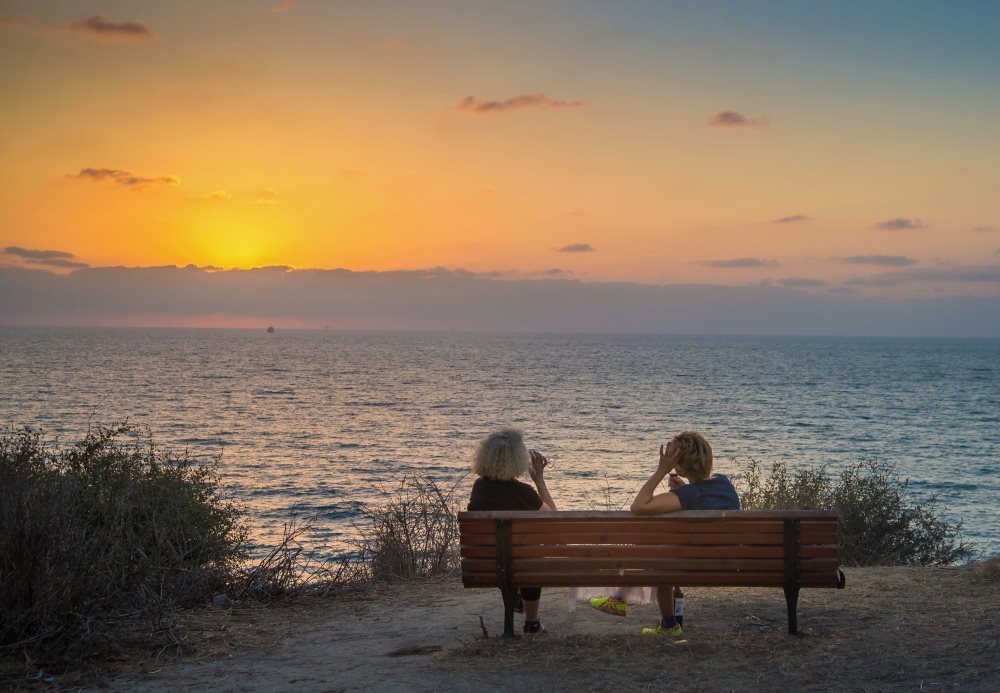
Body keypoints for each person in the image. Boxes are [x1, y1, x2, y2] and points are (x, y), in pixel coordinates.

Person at [588, 431, 739, 636]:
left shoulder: (690, 494)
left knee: (653, 545)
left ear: (680, 465)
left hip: (694, 564)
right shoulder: (724, 483)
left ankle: (620, 599)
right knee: (660, 548)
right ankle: (666, 625)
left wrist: (661, 471)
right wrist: (684, 490)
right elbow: (705, 497)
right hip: (726, 561)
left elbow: (639, 506)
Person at [467, 428, 557, 634]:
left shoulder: (479, 488)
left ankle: (516, 598)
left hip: (486, 566)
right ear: (517, 460)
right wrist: (539, 480)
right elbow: (554, 520)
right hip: (523, 565)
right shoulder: (522, 493)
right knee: (530, 557)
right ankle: (532, 623)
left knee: (517, 555)